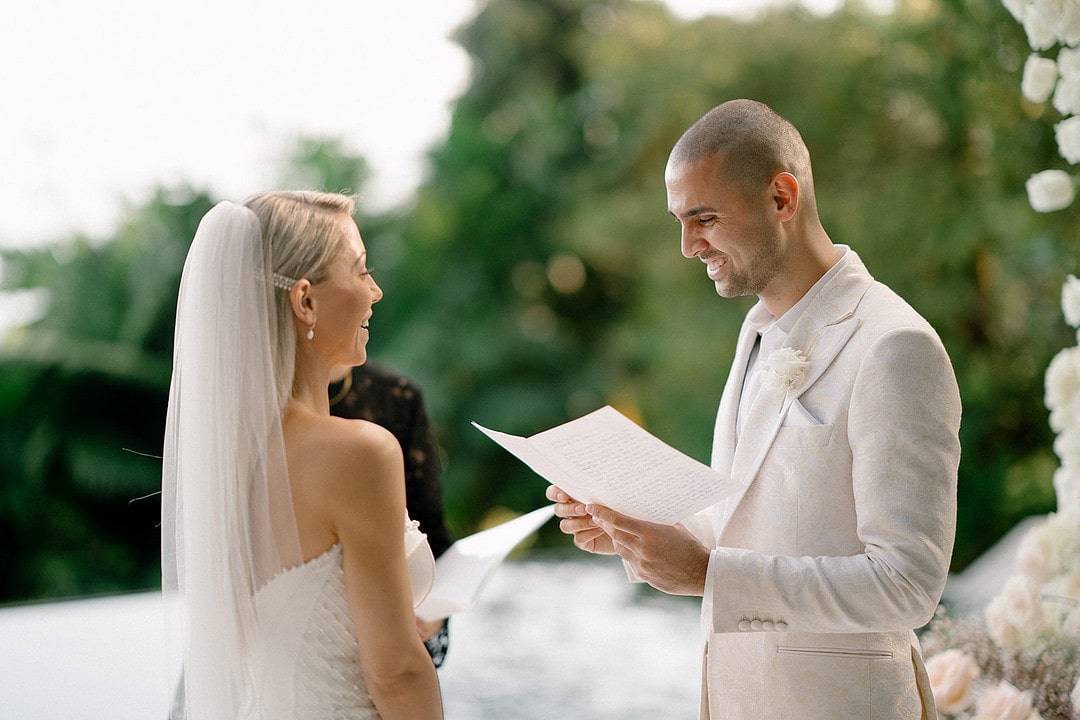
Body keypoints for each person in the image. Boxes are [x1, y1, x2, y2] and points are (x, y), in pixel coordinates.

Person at [548, 100, 961, 719]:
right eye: (680, 222)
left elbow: (906, 586)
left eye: (704, 218)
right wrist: (635, 532)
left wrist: (710, 575)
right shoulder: (756, 331)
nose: (688, 246)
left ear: (781, 198)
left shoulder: (894, 346)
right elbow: (748, 522)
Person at [162, 191, 443, 719]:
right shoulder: (359, 453)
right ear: (306, 301)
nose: (375, 291)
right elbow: (395, 672)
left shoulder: (222, 465)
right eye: (360, 272)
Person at [329, 360, 454, 665]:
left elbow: (431, 530)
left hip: (391, 644)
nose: (373, 308)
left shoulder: (397, 397)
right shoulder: (254, 400)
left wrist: (432, 612)